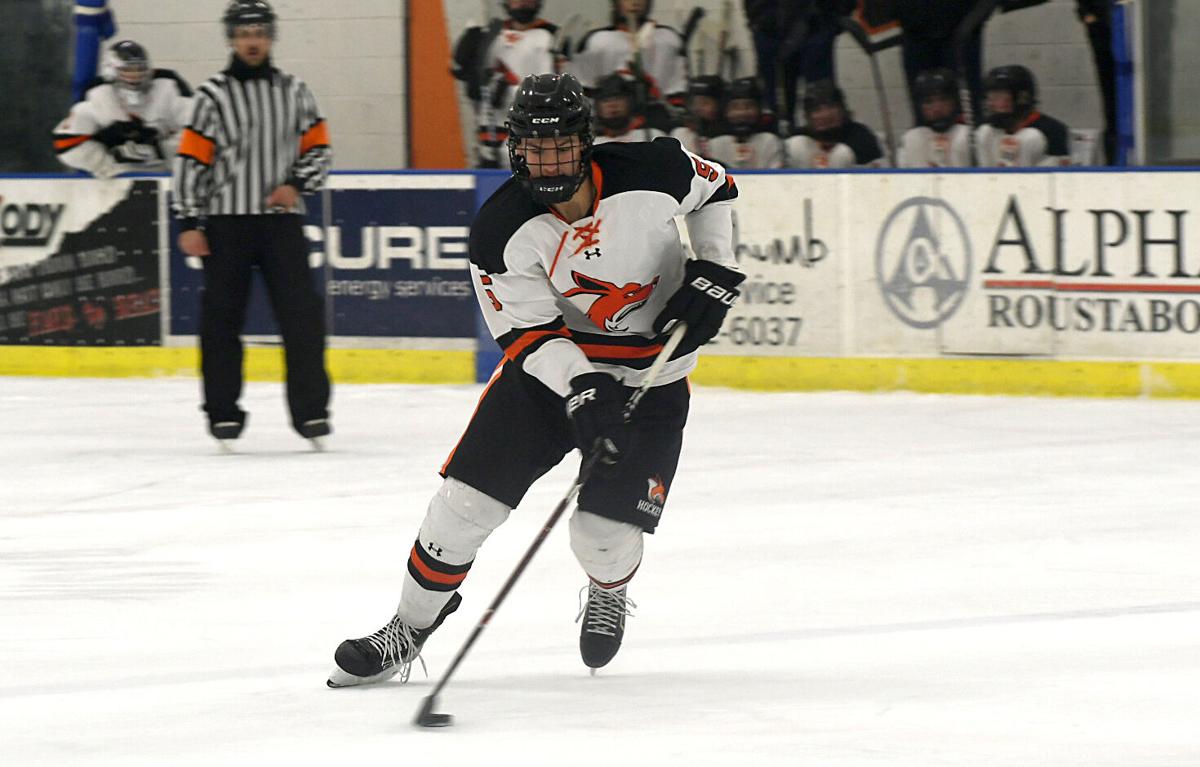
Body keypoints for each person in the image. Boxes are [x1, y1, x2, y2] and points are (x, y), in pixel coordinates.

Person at [328, 73, 743, 686]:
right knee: (460, 510)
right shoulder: (500, 231)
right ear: (515, 149)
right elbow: (528, 336)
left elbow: (718, 187)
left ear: (586, 142)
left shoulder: (652, 167)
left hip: (652, 382)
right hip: (548, 382)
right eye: (535, 147)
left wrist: (715, 267)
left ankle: (608, 586)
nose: (549, 161)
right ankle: (410, 627)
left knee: (599, 536)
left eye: (561, 145)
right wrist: (581, 385)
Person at [171, 0, 333, 447]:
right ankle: (223, 413)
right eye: (244, 33)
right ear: (231, 38)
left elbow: (319, 149)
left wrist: (296, 183)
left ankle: (311, 414)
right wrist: (188, 220)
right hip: (226, 224)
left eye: (259, 32)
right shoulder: (211, 96)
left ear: (270, 36)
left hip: (282, 223)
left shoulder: (295, 91)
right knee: (221, 323)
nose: (252, 40)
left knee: (302, 319)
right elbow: (190, 162)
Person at [52, 40, 192, 178]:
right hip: (115, 178)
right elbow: (65, 143)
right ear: (110, 71)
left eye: (139, 69)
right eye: (127, 70)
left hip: (166, 174)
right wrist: (107, 161)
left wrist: (161, 149)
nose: (135, 76)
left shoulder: (168, 87)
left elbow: (200, 130)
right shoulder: (98, 95)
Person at [452, 0, 559, 168]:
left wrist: (511, 90)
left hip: (529, 128)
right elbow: (469, 79)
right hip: (491, 127)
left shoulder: (549, 36)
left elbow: (550, 87)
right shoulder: (490, 35)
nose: (523, 4)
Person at [569, 0, 687, 125]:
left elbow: (677, 91)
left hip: (658, 122)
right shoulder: (596, 41)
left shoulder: (669, 39)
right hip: (610, 127)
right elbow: (585, 90)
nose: (634, 3)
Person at [742, 0, 854, 132]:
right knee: (775, 111)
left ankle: (831, 143)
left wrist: (835, 19)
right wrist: (758, 22)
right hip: (770, 29)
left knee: (823, 102)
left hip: (816, 24)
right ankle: (778, 144)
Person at [893, 0, 992, 126]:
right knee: (924, 110)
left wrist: (973, 21)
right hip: (915, 34)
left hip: (962, 32)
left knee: (967, 109)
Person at [975, 65, 1071, 167]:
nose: (992, 104)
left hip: (1035, 181)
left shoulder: (1052, 130)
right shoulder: (988, 131)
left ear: (1022, 98)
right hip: (993, 181)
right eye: (991, 97)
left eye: (1000, 96)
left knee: (1030, 136)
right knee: (984, 131)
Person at [786, 80, 885, 168]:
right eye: (817, 109)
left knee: (841, 154)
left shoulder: (861, 136)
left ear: (843, 110)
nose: (825, 114)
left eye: (831, 106)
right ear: (807, 116)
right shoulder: (799, 138)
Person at [897, 68, 972, 168]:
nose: (937, 108)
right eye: (928, 102)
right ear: (919, 106)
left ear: (954, 102)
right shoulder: (909, 139)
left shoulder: (970, 136)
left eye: (943, 99)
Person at [708, 77, 785, 169]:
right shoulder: (715, 145)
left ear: (759, 110)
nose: (742, 112)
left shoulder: (770, 141)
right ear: (726, 111)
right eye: (735, 107)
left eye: (748, 106)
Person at [1077, 0, 1116, 164]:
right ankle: (1114, 157)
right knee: (1112, 102)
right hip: (1102, 27)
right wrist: (1089, 17)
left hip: (1138, 28)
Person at [591, 73, 666, 144]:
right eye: (605, 100)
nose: (612, 104)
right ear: (597, 107)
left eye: (618, 98)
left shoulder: (652, 136)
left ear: (630, 101)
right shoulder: (594, 143)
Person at [670, 75, 725, 156]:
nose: (698, 108)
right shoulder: (682, 132)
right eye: (694, 103)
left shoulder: (725, 135)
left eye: (705, 103)